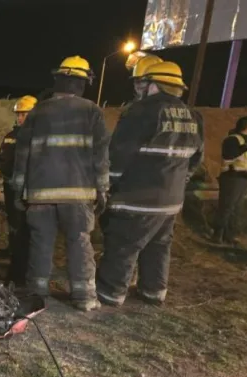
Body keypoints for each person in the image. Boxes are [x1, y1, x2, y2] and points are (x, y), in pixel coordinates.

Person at [96, 61, 204, 307]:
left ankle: (111, 292)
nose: (139, 89)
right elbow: (196, 159)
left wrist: (107, 185)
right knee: (158, 245)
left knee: (123, 244)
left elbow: (119, 155)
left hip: (136, 197)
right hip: (171, 201)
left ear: (154, 85)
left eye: (142, 83)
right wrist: (179, 182)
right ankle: (153, 291)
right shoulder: (194, 116)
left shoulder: (140, 111)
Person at [11, 56, 110, 311]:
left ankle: (37, 294)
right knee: (79, 242)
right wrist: (103, 189)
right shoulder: (92, 112)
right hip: (78, 196)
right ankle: (84, 297)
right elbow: (100, 157)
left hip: (40, 195)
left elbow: (22, 156)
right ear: (82, 82)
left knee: (41, 243)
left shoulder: (38, 111)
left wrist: (18, 191)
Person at [0, 95, 38, 285]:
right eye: (18, 114)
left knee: (23, 228)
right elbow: (2, 159)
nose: (20, 118)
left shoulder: (37, 138)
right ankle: (14, 252)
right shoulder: (11, 136)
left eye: (24, 114)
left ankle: (20, 269)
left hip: (28, 190)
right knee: (14, 224)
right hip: (10, 186)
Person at [213, 115, 247, 244]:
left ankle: (229, 236)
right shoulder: (233, 139)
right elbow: (227, 156)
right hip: (232, 177)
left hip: (244, 179)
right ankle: (218, 234)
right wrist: (244, 148)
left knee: (236, 209)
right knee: (227, 206)